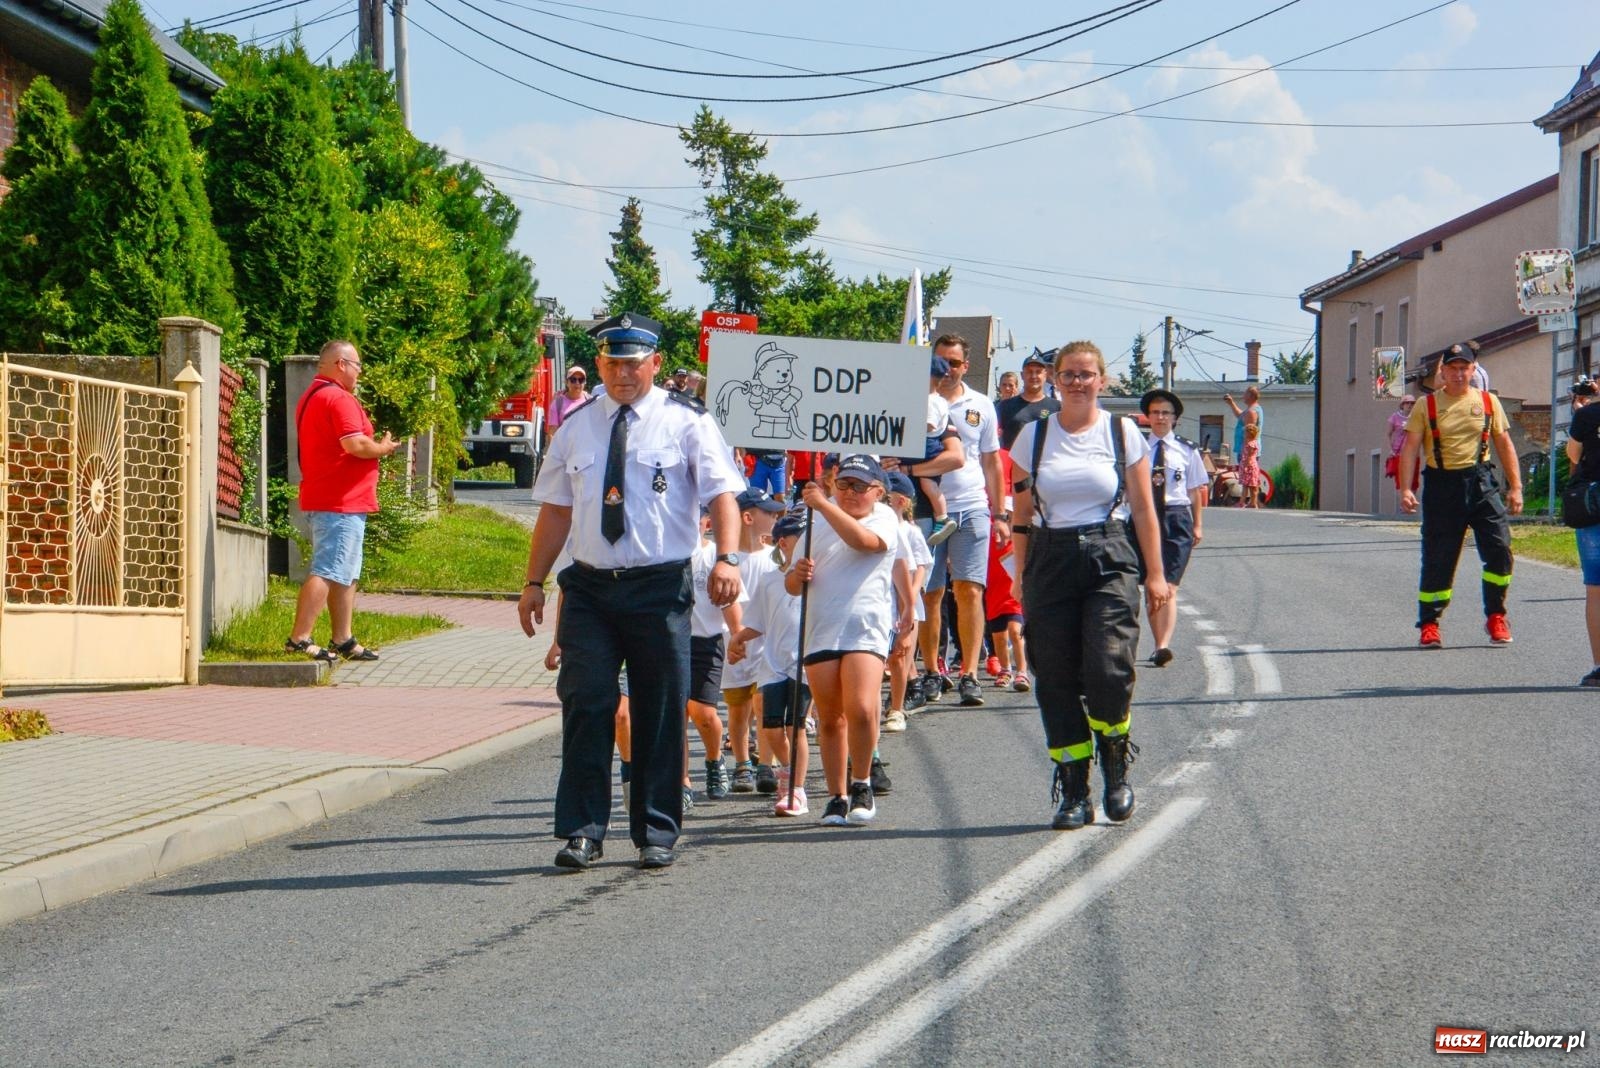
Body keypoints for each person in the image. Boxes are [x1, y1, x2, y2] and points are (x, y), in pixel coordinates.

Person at [517, 312, 746, 872]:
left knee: (661, 710)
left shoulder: (687, 422)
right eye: (613, 362)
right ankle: (583, 830)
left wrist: (728, 559)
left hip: (659, 586)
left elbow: (723, 496)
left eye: (633, 363)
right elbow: (555, 510)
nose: (623, 373)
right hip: (591, 589)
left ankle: (656, 832)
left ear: (656, 364)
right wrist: (532, 582)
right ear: (598, 363)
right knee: (587, 703)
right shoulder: (576, 426)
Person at [1009, 340, 1170, 831]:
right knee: (1053, 675)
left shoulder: (1123, 434)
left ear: (1102, 380)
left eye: (1087, 374)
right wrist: (1019, 577)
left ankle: (1115, 764)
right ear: (1055, 381)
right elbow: (1019, 518)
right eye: (1069, 374)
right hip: (1049, 556)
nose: (1078, 382)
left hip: (1110, 553)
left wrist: (1157, 574)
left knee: (1108, 669)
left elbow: (1144, 510)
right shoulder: (1031, 439)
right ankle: (1074, 788)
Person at [789, 455, 908, 826]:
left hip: (864, 627)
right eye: (844, 485)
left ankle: (862, 783)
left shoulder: (884, 518)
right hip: (822, 627)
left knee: (859, 706)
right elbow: (791, 584)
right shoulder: (815, 524)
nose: (851, 493)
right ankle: (836, 795)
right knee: (830, 718)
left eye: (860, 486)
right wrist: (798, 573)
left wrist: (823, 503)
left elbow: (865, 543)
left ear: (878, 491)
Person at [1398, 341, 1521, 649]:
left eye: (1464, 368)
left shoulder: (1488, 402)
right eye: (1452, 369)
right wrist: (1405, 488)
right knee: (1439, 558)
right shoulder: (1425, 406)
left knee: (1499, 551)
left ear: (1473, 370)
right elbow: (1410, 448)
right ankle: (1429, 623)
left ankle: (1496, 616)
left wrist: (1516, 487)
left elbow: (1505, 444)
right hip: (1441, 486)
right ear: (1443, 372)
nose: (1458, 374)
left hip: (1481, 482)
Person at [285, 340, 401, 663]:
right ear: (341, 364)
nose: (360, 373)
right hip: (340, 500)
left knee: (345, 571)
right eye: (357, 366)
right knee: (327, 569)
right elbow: (355, 444)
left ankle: (343, 638)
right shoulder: (338, 398)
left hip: (334, 497)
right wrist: (383, 447)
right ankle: (299, 638)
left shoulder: (312, 396)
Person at [911, 334, 1009, 709]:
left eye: (954, 362)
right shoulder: (915, 400)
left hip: (970, 505)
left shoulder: (981, 404)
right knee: (930, 592)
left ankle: (969, 672)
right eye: (941, 361)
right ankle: (934, 670)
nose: (947, 369)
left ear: (965, 366)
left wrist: (999, 513)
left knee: (969, 589)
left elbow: (991, 461)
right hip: (924, 508)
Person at [729, 511, 811, 815]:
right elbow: (758, 621)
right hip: (773, 662)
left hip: (802, 664)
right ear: (783, 542)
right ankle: (788, 769)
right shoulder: (769, 580)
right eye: (800, 537)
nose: (806, 542)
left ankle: (796, 790)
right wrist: (738, 638)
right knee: (771, 727)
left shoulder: (819, 576)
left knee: (796, 726)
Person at [721, 488, 786, 791]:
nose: (775, 517)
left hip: (766, 644)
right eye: (769, 513)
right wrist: (737, 636)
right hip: (732, 644)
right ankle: (741, 764)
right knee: (738, 708)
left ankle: (765, 765)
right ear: (747, 517)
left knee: (763, 705)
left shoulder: (774, 558)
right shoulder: (726, 558)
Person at [1139, 388, 1209, 666]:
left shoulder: (1187, 450)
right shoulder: (1137, 449)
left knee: (1170, 585)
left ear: (1175, 417)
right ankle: (1158, 645)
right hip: (1145, 517)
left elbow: (1194, 490)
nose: (1160, 417)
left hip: (1176, 517)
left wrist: (1198, 525)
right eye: (1155, 412)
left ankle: (1163, 644)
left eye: (1165, 412)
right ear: (1148, 417)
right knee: (1151, 583)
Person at [899, 354, 964, 547]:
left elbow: (929, 425)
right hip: (922, 448)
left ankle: (942, 517)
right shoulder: (925, 399)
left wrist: (904, 427)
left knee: (928, 483)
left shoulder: (932, 402)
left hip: (928, 448)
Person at [983, 450, 1029, 692]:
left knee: (1015, 629)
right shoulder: (988, 535)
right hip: (993, 592)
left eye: (1010, 516)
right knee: (999, 634)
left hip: (1013, 592)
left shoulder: (1018, 540)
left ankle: (1022, 670)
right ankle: (1005, 668)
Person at [1564, 377, 1600, 686]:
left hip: (1594, 506)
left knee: (1596, 592)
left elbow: (1573, 456)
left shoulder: (1587, 415)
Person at [997, 349, 1062, 450]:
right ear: (1022, 375)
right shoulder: (1005, 406)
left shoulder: (1057, 407)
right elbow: (994, 439)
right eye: (1029, 372)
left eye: (1038, 372)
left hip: (1045, 464)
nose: (1034, 376)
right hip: (1012, 464)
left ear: (1045, 375)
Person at [1387, 394, 1418, 494]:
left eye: (1412, 403)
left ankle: (1410, 501)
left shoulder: (1417, 417)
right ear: (1402, 405)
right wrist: (1391, 449)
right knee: (1402, 480)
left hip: (1413, 454)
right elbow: (1389, 434)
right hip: (1399, 453)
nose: (1410, 405)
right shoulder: (1395, 417)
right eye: (1407, 403)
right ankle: (1404, 503)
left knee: (1414, 480)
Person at [1225, 385, 1264, 463]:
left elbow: (1249, 435)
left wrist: (1247, 457)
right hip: (1247, 451)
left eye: (1245, 394)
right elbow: (1241, 416)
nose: (1243, 396)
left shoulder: (1251, 412)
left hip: (1247, 453)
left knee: (1245, 475)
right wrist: (1231, 403)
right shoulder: (1251, 410)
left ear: (1250, 396)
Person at [549, 366, 591, 435]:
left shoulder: (590, 402)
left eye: (581, 380)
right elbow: (552, 434)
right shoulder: (558, 403)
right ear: (566, 382)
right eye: (573, 380)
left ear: (585, 382)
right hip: (565, 445)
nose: (577, 383)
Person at [1238, 423, 1263, 508]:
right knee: (1253, 486)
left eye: (1245, 432)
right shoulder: (1253, 443)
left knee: (1247, 486)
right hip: (1251, 465)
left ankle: (1242, 502)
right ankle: (1253, 503)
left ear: (1249, 433)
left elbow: (1249, 456)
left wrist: (1245, 466)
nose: (1244, 434)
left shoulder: (1250, 444)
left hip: (1249, 466)